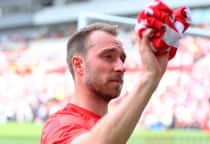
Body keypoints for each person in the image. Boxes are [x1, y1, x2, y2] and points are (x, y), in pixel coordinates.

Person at [40, 22, 169, 144]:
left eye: (122, 59)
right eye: (108, 56)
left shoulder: (112, 128)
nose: (121, 67)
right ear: (79, 65)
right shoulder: (59, 125)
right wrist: (149, 78)